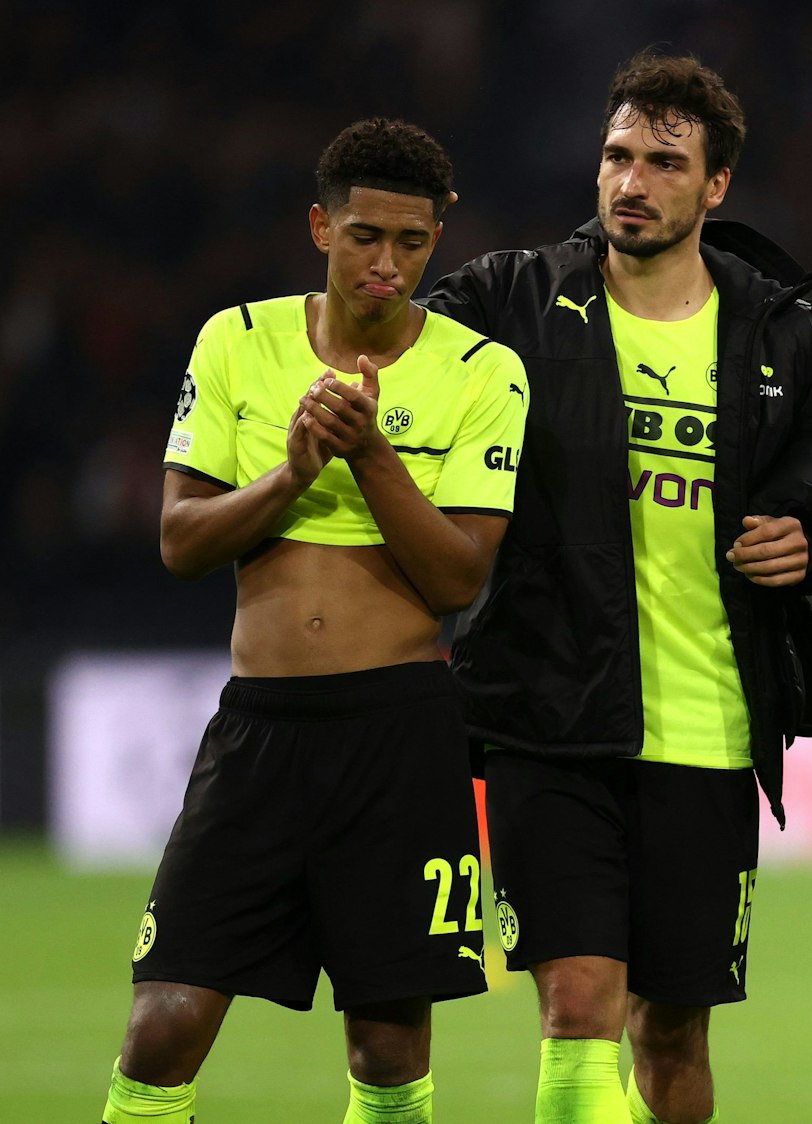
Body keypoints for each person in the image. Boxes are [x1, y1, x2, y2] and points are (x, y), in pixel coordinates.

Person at [421, 51, 812, 1124]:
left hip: (709, 733)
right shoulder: (512, 299)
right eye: (619, 155)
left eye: (665, 162)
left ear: (715, 187)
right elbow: (397, 374)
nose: (632, 181)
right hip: (549, 719)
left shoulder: (783, 333)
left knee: (672, 1030)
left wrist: (810, 538)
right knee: (577, 1006)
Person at [105, 118, 526, 1124]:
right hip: (258, 733)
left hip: (401, 732)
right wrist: (292, 470)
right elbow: (181, 538)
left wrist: (370, 455)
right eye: (365, 236)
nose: (387, 264)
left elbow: (457, 579)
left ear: (437, 240)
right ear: (319, 227)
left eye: (412, 243)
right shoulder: (236, 340)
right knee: (161, 1023)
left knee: (387, 1047)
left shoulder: (483, 371)